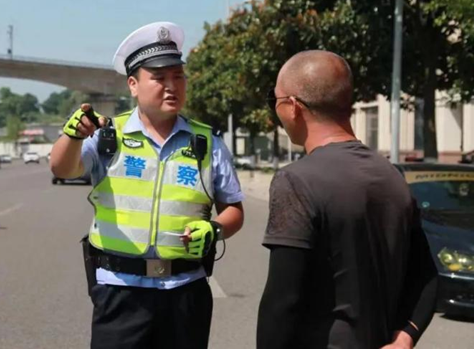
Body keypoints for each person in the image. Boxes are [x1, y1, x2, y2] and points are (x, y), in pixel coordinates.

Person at [50, 21, 244, 349]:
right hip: (120, 291)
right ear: (133, 85)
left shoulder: (207, 142)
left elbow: (234, 210)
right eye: (159, 77)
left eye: (178, 76)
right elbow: (63, 168)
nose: (172, 86)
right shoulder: (107, 134)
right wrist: (71, 137)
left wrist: (216, 230)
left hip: (186, 291)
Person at [256, 50, 438, 349]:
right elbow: (427, 276)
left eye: (274, 100)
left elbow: (282, 303)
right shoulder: (392, 176)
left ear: (292, 106)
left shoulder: (297, 181)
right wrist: (406, 338)